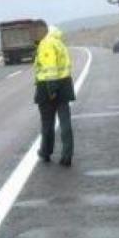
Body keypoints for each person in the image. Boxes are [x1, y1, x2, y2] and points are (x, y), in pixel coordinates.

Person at [33, 26, 75, 166]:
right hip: (65, 84)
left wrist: (52, 90)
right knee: (65, 121)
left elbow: (50, 68)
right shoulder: (59, 43)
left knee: (47, 123)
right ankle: (67, 154)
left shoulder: (46, 43)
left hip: (48, 87)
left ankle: (45, 152)